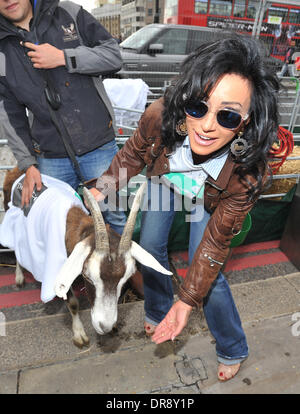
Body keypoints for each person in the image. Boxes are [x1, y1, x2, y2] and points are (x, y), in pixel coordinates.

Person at [89, 34, 280, 381]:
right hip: (168, 179)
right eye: (197, 107)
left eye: (228, 116)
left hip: (212, 194)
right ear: (185, 99)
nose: (207, 126)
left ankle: (232, 346)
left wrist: (188, 300)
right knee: (148, 246)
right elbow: (133, 154)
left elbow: (215, 245)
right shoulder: (160, 117)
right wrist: (104, 188)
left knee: (206, 270)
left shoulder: (246, 175)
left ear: (248, 120)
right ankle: (158, 308)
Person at [0, 0, 126, 234]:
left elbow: (113, 56)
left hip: (100, 148)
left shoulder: (69, 13)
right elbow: (9, 112)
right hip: (50, 158)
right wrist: (28, 164)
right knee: (58, 228)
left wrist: (64, 57)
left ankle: (123, 271)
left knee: (114, 218)